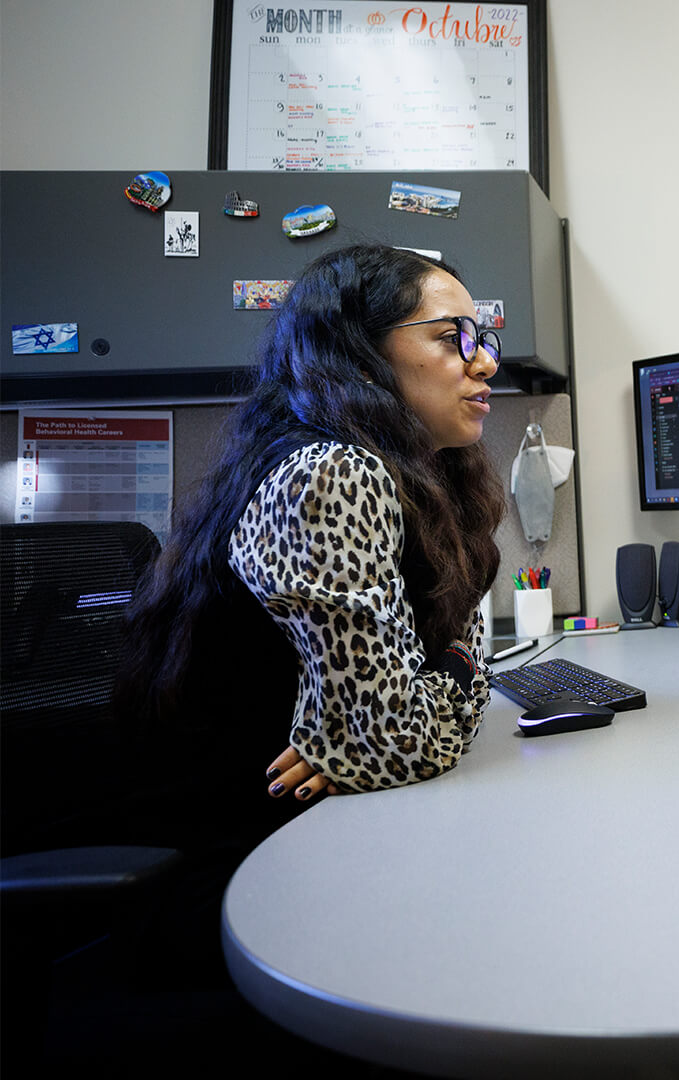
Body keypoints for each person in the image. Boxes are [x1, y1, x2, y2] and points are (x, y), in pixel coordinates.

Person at [117, 243, 507, 858]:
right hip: (244, 841)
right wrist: (432, 695)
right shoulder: (328, 476)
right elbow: (401, 743)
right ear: (364, 356)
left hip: (344, 823)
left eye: (482, 338)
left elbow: (424, 705)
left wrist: (439, 682)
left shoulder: (435, 480)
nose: (484, 362)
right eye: (450, 338)